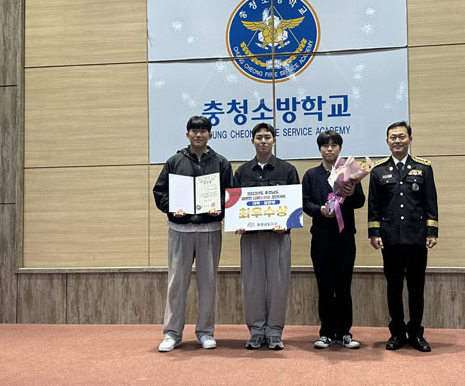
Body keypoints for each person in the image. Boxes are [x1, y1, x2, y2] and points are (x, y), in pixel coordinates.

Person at [153, 115, 233, 352]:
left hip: (209, 229)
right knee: (177, 283)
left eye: (203, 131)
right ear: (187, 134)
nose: (198, 134)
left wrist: (220, 207)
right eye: (194, 131)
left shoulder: (221, 162)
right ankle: (172, 333)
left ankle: (205, 332)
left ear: (210, 134)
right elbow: (160, 192)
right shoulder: (174, 161)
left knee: (208, 283)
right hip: (180, 229)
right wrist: (172, 208)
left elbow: (230, 194)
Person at [368, 121, 438, 352]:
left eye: (401, 136)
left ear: (410, 139)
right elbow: (374, 205)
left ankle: (416, 333)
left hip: (416, 238)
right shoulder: (378, 170)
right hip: (390, 239)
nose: (397, 141)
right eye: (393, 137)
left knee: (416, 288)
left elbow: (430, 202)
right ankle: (397, 333)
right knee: (394, 288)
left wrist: (431, 231)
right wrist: (374, 233)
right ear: (387, 141)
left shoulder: (423, 168)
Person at [233, 123, 299, 350]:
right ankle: (256, 331)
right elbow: (234, 203)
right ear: (252, 141)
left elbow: (295, 204)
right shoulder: (242, 172)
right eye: (259, 137)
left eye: (267, 137)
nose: (263, 141)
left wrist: (287, 224)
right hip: (250, 237)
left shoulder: (287, 170)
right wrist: (238, 222)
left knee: (279, 283)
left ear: (274, 141)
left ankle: (274, 332)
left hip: (278, 237)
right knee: (252, 284)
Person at [302, 130, 365, 349]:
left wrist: (351, 192)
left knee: (344, 286)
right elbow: (305, 203)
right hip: (321, 239)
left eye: (334, 145)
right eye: (325, 145)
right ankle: (326, 332)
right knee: (325, 287)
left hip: (345, 238)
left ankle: (345, 332)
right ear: (319, 149)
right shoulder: (311, 175)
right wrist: (319, 210)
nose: (329, 149)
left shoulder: (351, 172)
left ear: (340, 148)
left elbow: (360, 201)